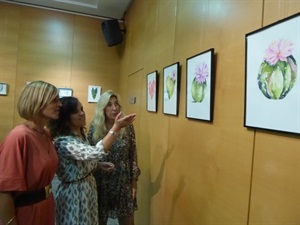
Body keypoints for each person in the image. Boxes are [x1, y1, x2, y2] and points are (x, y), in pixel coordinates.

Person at [47, 96, 136, 225]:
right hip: (74, 194)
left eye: (82, 109)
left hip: (87, 190)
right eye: (76, 111)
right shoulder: (64, 142)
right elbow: (95, 153)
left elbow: (82, 160)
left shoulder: (78, 136)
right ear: (66, 118)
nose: (82, 113)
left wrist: (98, 165)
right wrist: (116, 127)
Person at [0, 81, 62, 225]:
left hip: (45, 205)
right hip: (26, 212)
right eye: (54, 100)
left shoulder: (45, 133)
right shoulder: (19, 136)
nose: (60, 104)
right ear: (38, 102)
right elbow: (4, 191)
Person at [87, 90, 141, 225]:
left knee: (127, 220)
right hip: (101, 180)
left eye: (116, 104)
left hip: (123, 181)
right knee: (100, 220)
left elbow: (132, 155)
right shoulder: (95, 127)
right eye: (109, 105)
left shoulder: (127, 126)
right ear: (102, 108)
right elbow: (90, 155)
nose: (114, 108)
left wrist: (134, 183)